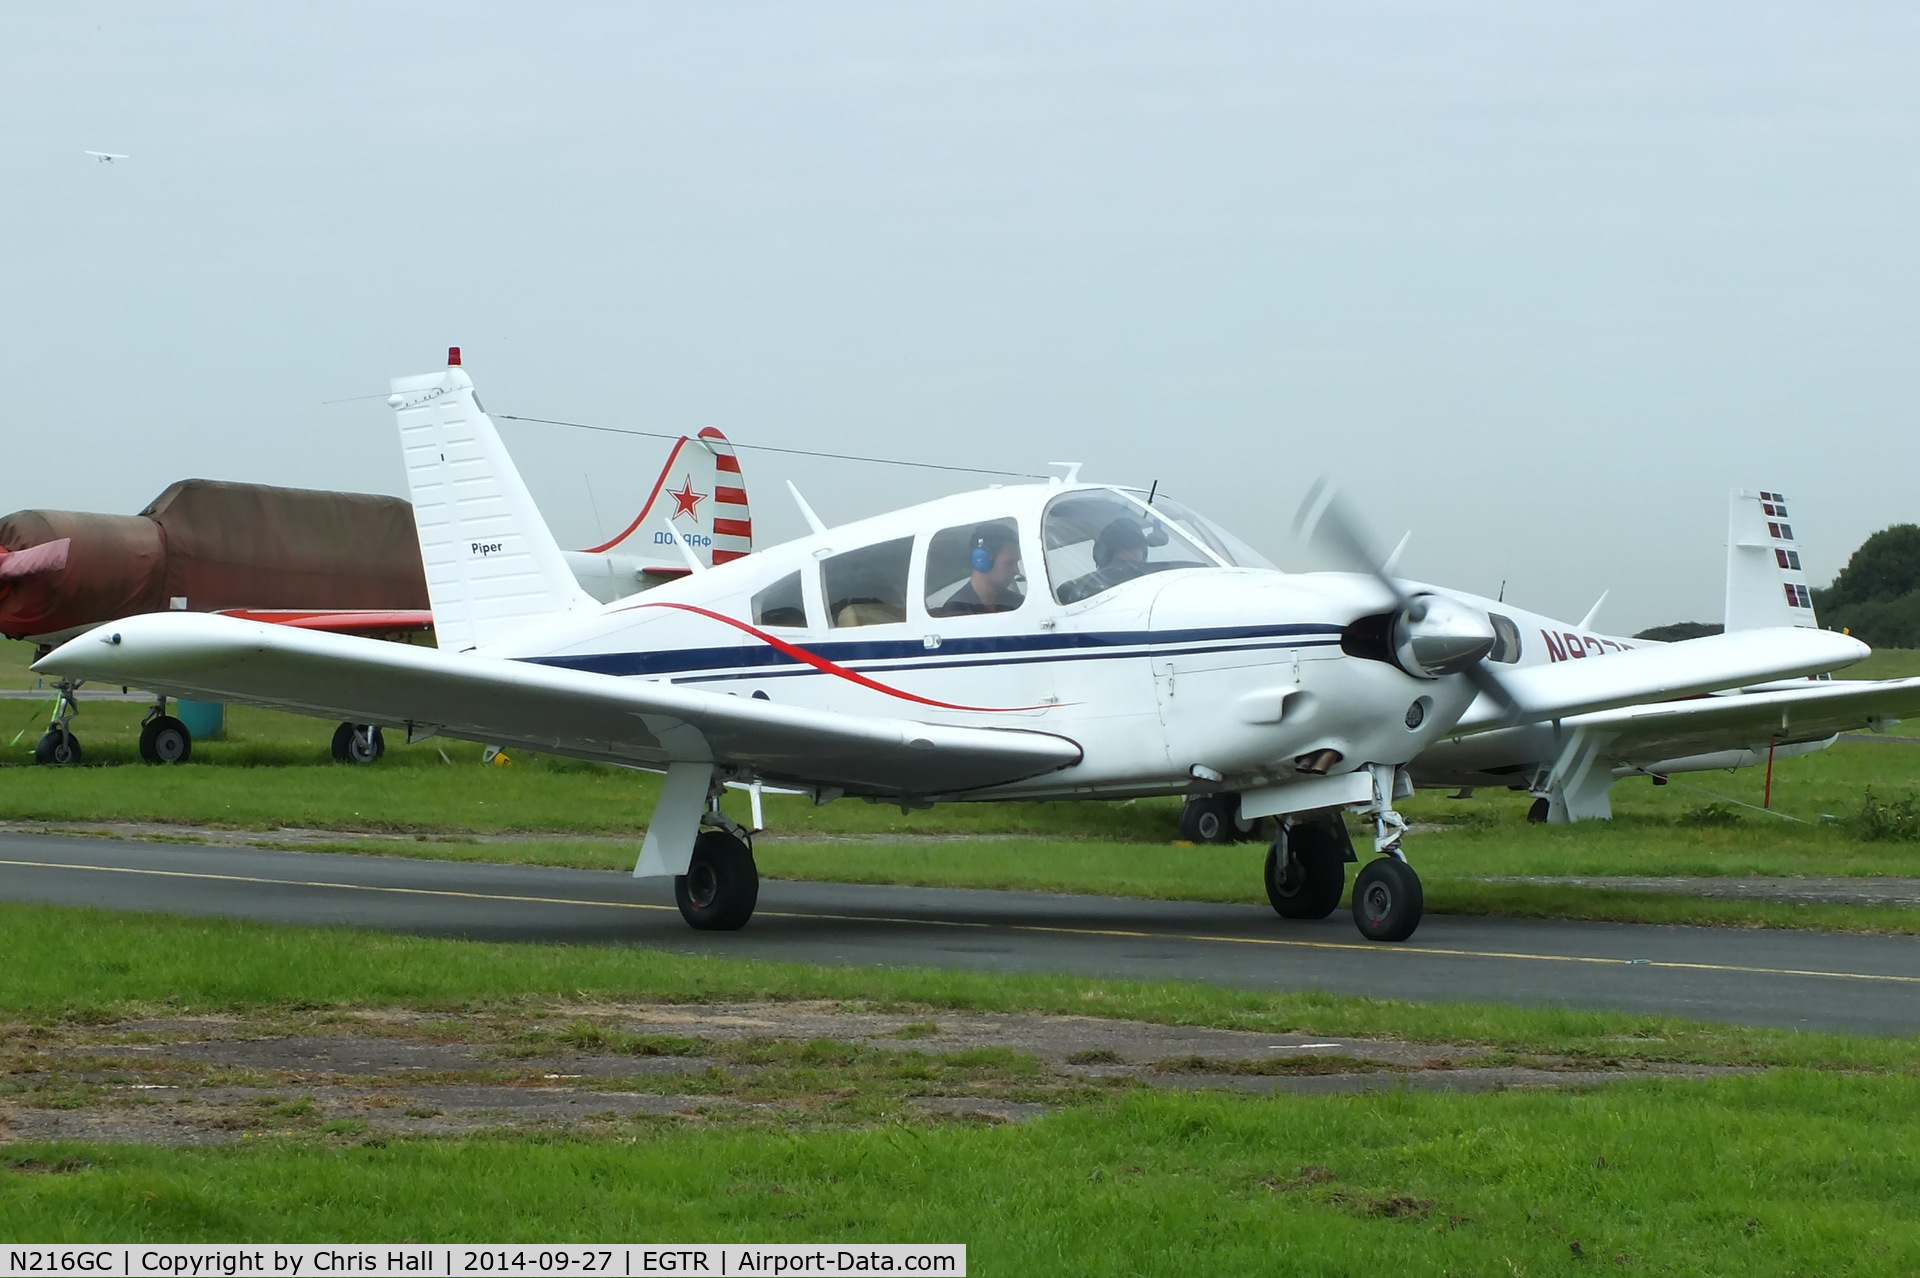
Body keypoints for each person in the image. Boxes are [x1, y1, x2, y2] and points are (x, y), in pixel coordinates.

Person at [937, 523, 1024, 615]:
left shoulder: (1016, 603)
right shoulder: (956, 610)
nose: (1016, 570)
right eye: (1010, 563)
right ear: (983, 560)